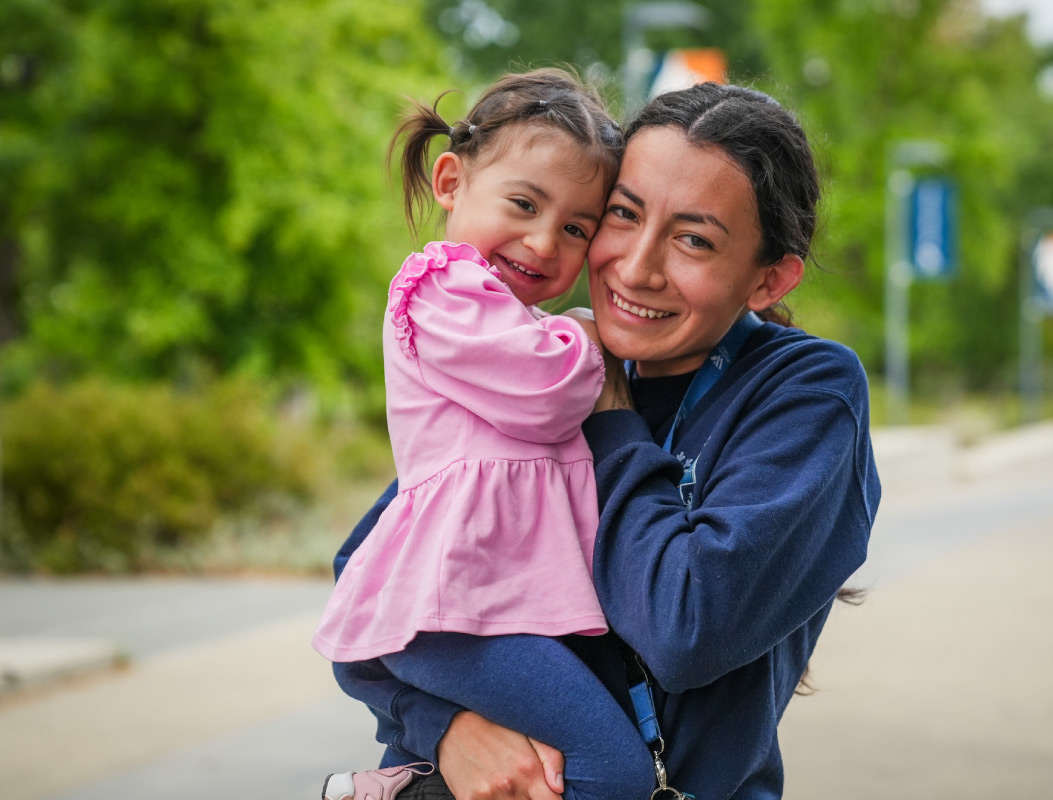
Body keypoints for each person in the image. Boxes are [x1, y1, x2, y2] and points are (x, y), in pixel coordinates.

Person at [333, 82, 882, 800]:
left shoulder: (802, 393)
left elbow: (685, 630)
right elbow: (367, 576)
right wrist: (443, 726)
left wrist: (614, 418)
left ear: (769, 279)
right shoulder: (543, 367)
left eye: (693, 239)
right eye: (623, 215)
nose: (636, 265)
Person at [312, 69, 658, 800]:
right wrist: (592, 332)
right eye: (524, 203)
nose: (542, 241)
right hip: (459, 603)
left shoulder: (513, 318)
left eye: (575, 228)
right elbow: (550, 396)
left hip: (494, 600)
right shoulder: (441, 285)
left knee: (549, 767)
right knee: (614, 774)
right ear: (449, 179)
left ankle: (406, 785)